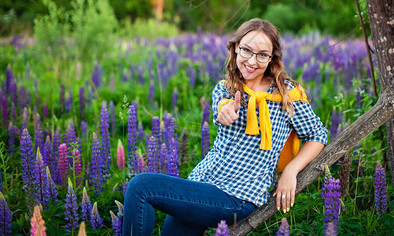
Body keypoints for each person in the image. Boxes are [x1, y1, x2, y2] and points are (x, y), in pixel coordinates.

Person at [122, 18, 328, 235]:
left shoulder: (286, 94)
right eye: (246, 50)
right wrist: (226, 111)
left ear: (271, 58)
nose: (252, 60)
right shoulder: (226, 89)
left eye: (262, 54)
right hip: (201, 184)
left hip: (238, 197)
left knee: (140, 187)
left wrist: (290, 171)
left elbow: (318, 135)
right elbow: (223, 108)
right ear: (236, 48)